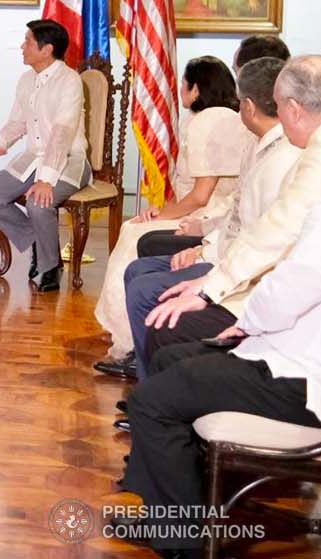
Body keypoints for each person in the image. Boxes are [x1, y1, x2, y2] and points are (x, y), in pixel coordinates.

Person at [119, 78, 321, 559]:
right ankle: (169, 504)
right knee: (173, 358)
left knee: (150, 401)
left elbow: (290, 289)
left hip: (314, 385)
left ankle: (184, 541)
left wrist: (244, 324)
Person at [132, 56, 321, 362]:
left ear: (293, 109)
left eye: (279, 106)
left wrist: (210, 286)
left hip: (287, 310)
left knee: (162, 319)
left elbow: (275, 232)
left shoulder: (315, 157)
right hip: (269, 281)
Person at [117, 58, 301, 382]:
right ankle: (148, 373)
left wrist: (204, 255)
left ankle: (153, 388)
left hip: (241, 275)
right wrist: (204, 241)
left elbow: (260, 239)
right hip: (223, 248)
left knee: (146, 287)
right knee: (138, 267)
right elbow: (236, 215)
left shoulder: (283, 159)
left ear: (248, 106)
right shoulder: (260, 145)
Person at [92, 56, 252, 378]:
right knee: (141, 227)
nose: (179, 90)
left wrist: (156, 217)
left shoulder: (208, 121)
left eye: (183, 84)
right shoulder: (229, 117)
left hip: (209, 214)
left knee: (133, 232)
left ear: (196, 89)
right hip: (213, 212)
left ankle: (129, 343)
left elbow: (200, 196)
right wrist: (161, 210)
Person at [132, 36, 292, 258]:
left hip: (230, 238)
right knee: (144, 241)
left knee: (137, 237)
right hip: (219, 225)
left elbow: (208, 199)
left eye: (239, 74)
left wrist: (202, 242)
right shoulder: (251, 133)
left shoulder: (215, 121)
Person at [0, 19, 91, 293]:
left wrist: (47, 180)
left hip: (70, 161)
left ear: (46, 49)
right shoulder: (26, 79)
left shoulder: (70, 81)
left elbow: (62, 133)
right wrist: (1, 141)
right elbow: (18, 120)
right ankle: (40, 239)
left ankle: (50, 266)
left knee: (39, 203)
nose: (22, 47)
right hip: (33, 158)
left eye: (27, 41)